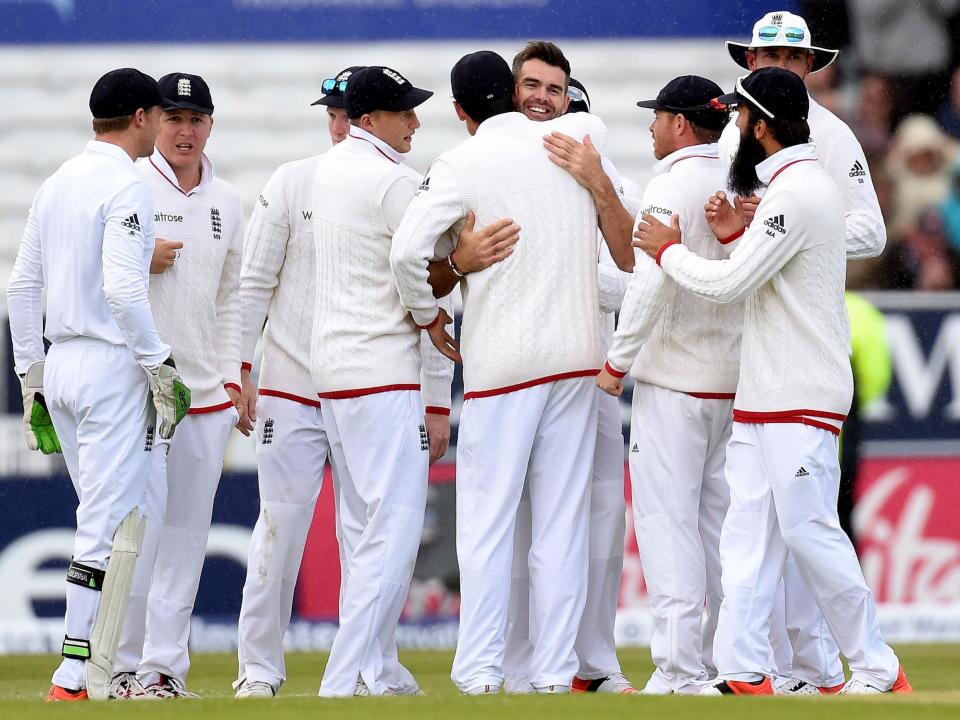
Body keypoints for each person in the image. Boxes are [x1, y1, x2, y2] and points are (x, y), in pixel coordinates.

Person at [634, 66, 911, 696]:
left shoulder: (800, 192)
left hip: (801, 391)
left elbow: (730, 287)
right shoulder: (787, 190)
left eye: (739, 117)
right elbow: (760, 277)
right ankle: (743, 668)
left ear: (760, 125)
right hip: (766, 392)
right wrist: (736, 238)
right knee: (745, 535)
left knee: (808, 530)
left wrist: (669, 251)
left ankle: (876, 666)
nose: (732, 127)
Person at [391, 49, 629, 694]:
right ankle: (553, 674)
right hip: (577, 360)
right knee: (559, 527)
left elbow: (407, 251)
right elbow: (597, 142)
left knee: (488, 527)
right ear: (515, 93)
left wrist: (427, 316)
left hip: (503, 366)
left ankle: (479, 671)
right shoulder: (579, 137)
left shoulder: (460, 162)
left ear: (462, 110)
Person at [232, 66, 455, 698]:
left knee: (366, 534)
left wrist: (436, 398)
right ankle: (259, 669)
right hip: (296, 379)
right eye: (328, 113)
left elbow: (421, 289)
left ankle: (372, 668)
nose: (335, 124)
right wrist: (240, 369)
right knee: (282, 527)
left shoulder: (373, 179)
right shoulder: (299, 179)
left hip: (350, 376)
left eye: (341, 112)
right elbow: (254, 285)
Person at [7, 68, 189, 702]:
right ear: (140, 117)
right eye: (160, 115)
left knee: (124, 517)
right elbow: (121, 288)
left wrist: (31, 376)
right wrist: (158, 362)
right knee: (108, 523)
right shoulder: (127, 186)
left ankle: (107, 670)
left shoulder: (57, 183)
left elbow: (22, 288)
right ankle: (75, 674)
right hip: (112, 366)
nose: (166, 126)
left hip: (62, 365)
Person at [720, 10, 888, 693]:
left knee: (801, 528)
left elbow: (870, 231)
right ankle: (774, 668)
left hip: (799, 343)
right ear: (751, 58)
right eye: (768, 57)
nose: (779, 68)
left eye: (792, 60)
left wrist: (783, 232)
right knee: (756, 529)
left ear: (811, 64)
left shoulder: (832, 134)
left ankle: (829, 665)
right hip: (748, 342)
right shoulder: (741, 127)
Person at [497, 44, 636, 695]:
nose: (561, 125)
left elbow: (630, 277)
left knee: (601, 516)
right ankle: (518, 660)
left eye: (570, 111)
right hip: (515, 366)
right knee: (518, 520)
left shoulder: (609, 180)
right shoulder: (495, 169)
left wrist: (567, 267)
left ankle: (593, 661)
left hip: (590, 374)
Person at [594, 75, 736, 695]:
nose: (651, 127)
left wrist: (617, 360)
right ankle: (733, 660)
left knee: (665, 523)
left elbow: (650, 281)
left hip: (674, 384)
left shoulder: (670, 184)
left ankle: (680, 671)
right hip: (733, 383)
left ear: (680, 123)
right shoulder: (742, 179)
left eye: (657, 117)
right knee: (724, 530)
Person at [310, 65, 449, 697]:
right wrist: (431, 309)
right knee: (391, 534)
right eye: (404, 111)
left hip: (335, 375)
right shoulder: (392, 180)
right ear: (370, 120)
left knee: (365, 530)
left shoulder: (329, 168)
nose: (415, 121)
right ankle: (344, 680)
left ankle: (378, 671)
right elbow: (418, 260)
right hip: (383, 373)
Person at [109, 72, 245, 700]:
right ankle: (119, 667)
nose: (185, 131)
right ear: (153, 123)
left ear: (210, 125)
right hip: (141, 392)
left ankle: (162, 670)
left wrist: (234, 375)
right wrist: (141, 257)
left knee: (188, 537)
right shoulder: (129, 186)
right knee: (137, 533)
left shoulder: (228, 201)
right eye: (173, 119)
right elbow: (89, 277)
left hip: (206, 397)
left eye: (196, 120)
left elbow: (230, 301)